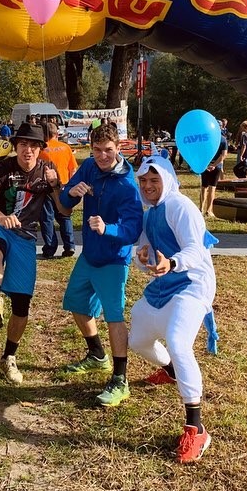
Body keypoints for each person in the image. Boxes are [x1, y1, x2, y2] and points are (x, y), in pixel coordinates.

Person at [128, 154, 217, 463]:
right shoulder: (150, 211)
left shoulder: (181, 207)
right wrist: (143, 258)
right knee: (137, 339)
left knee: (179, 342)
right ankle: (171, 372)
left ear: (166, 181)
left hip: (192, 283)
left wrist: (173, 262)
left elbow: (195, 249)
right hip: (165, 285)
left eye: (155, 180)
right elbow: (145, 254)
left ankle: (197, 428)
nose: (149, 186)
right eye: (144, 181)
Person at [56, 123, 144, 406]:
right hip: (89, 255)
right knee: (76, 304)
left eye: (108, 150)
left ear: (118, 148)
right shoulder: (90, 168)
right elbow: (63, 201)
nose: (103, 156)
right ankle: (97, 355)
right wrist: (71, 192)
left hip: (114, 260)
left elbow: (132, 229)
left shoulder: (128, 184)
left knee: (114, 317)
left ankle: (121, 379)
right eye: (97, 151)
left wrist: (109, 229)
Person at [0, 122, 63, 384]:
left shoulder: (48, 170)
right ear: (16, 146)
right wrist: (2, 217)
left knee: (22, 305)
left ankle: (8, 357)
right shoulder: (3, 167)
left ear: (40, 149)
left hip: (26, 237)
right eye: (23, 144)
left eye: (34, 145)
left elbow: (65, 211)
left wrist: (56, 186)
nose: (28, 150)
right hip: (0, 226)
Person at [39, 121, 78, 259]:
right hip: (64, 186)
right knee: (65, 217)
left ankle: (50, 248)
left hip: (46, 188)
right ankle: (70, 246)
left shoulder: (41, 149)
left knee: (47, 218)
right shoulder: (66, 148)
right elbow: (73, 169)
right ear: (57, 133)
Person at [199, 134, 228, 218]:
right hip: (216, 165)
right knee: (212, 188)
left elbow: (201, 151)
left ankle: (201, 209)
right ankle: (208, 210)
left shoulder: (205, 137)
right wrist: (214, 165)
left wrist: (205, 164)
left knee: (204, 187)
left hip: (206, 164)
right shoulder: (223, 139)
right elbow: (224, 154)